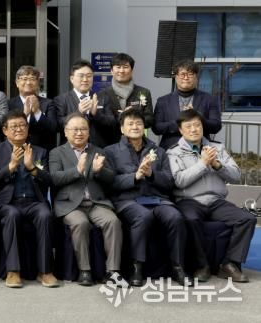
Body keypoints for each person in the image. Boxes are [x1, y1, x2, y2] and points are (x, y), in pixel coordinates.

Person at [167, 109, 256, 283]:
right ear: (181, 130)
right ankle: (202, 265)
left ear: (203, 127)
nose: (194, 129)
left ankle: (229, 264)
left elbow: (236, 175)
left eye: (197, 125)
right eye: (189, 126)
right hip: (189, 201)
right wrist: (203, 164)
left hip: (216, 201)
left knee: (247, 219)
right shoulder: (174, 152)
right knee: (191, 219)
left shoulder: (217, 148)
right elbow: (179, 181)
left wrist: (217, 165)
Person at [104, 108, 189, 287]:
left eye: (139, 123)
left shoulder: (159, 151)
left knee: (175, 217)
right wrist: (135, 177)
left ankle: (178, 267)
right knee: (143, 216)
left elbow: (169, 182)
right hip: (128, 200)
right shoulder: (110, 151)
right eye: (130, 124)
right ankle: (137, 267)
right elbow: (110, 183)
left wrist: (151, 174)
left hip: (157, 199)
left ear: (144, 127)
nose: (135, 127)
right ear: (122, 129)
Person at [49, 113, 122, 287]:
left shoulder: (98, 151)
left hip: (96, 203)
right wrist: (77, 170)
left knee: (113, 221)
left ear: (89, 132)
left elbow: (111, 178)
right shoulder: (57, 152)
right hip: (70, 204)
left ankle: (113, 271)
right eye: (75, 129)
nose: (79, 133)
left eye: (83, 129)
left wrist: (98, 171)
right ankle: (85, 270)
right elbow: (55, 178)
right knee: (80, 223)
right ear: (65, 132)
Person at [0, 110, 58, 288]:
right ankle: (13, 271)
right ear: (5, 130)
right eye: (14, 126)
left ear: (28, 128)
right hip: (7, 202)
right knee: (12, 215)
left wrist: (32, 168)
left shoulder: (40, 151)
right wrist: (11, 166)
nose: (19, 129)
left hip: (34, 201)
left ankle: (45, 271)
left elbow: (49, 180)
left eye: (22, 125)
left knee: (45, 215)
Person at [153, 60, 222, 150]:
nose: (186, 78)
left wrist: (198, 117)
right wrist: (180, 123)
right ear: (176, 77)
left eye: (190, 74)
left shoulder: (209, 99)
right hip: (170, 149)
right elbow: (156, 128)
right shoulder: (163, 101)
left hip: (201, 149)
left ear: (196, 77)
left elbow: (216, 126)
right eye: (182, 74)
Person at [53, 60, 117, 148]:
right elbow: (58, 125)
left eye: (89, 76)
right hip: (71, 150)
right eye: (81, 76)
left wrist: (95, 114)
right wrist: (78, 113)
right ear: (72, 79)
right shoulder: (61, 100)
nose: (85, 79)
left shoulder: (103, 98)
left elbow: (112, 124)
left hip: (98, 149)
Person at [99, 53, 154, 146]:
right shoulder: (102, 94)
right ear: (111, 71)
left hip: (137, 143)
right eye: (118, 67)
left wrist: (134, 115)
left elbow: (150, 119)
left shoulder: (144, 92)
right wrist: (122, 117)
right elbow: (100, 122)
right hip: (109, 144)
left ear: (131, 70)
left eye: (125, 67)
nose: (121, 70)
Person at [8, 65, 58, 152]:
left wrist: (37, 112)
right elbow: (7, 128)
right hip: (16, 150)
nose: (28, 82)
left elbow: (53, 128)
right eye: (24, 79)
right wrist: (24, 115)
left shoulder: (48, 103)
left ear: (38, 83)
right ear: (17, 83)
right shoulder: (9, 104)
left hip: (43, 150)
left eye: (32, 79)